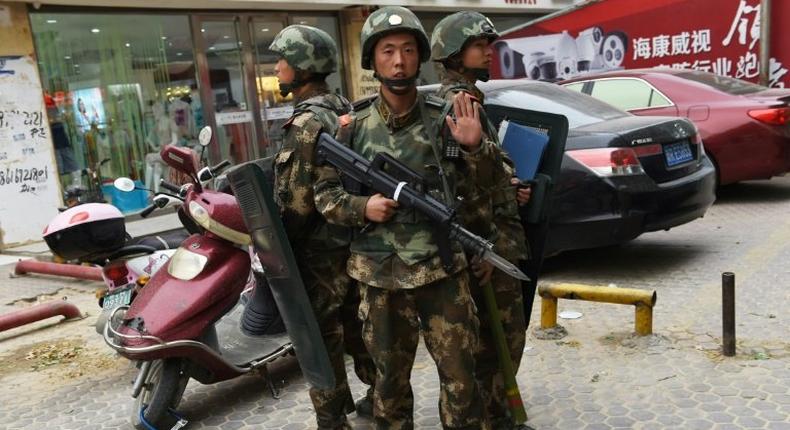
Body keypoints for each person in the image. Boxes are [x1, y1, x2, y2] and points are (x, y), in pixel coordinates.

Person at [314, 6, 501, 429]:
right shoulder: (350, 128)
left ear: (420, 56)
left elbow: (481, 193)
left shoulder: (448, 117)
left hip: (442, 273)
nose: (398, 61)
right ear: (372, 60)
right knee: (388, 390)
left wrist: (476, 150)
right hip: (380, 281)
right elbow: (325, 196)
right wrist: (364, 207)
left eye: (407, 50)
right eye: (387, 51)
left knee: (462, 384)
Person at [269, 24, 376, 430]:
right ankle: (380, 399)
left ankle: (332, 420)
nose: (277, 67)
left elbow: (297, 203)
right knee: (360, 327)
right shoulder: (343, 108)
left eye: (283, 60)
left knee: (320, 338)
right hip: (356, 243)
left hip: (319, 253)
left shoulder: (307, 123)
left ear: (302, 65)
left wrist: (281, 246)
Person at [431, 11, 532, 430]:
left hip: (495, 238)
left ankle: (498, 414)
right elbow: (462, 190)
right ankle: (495, 417)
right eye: (479, 47)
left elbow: (486, 170)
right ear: (455, 54)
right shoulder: (459, 104)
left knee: (498, 339)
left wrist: (509, 182)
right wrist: (485, 247)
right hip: (489, 243)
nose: (488, 53)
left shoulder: (469, 99)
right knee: (498, 341)